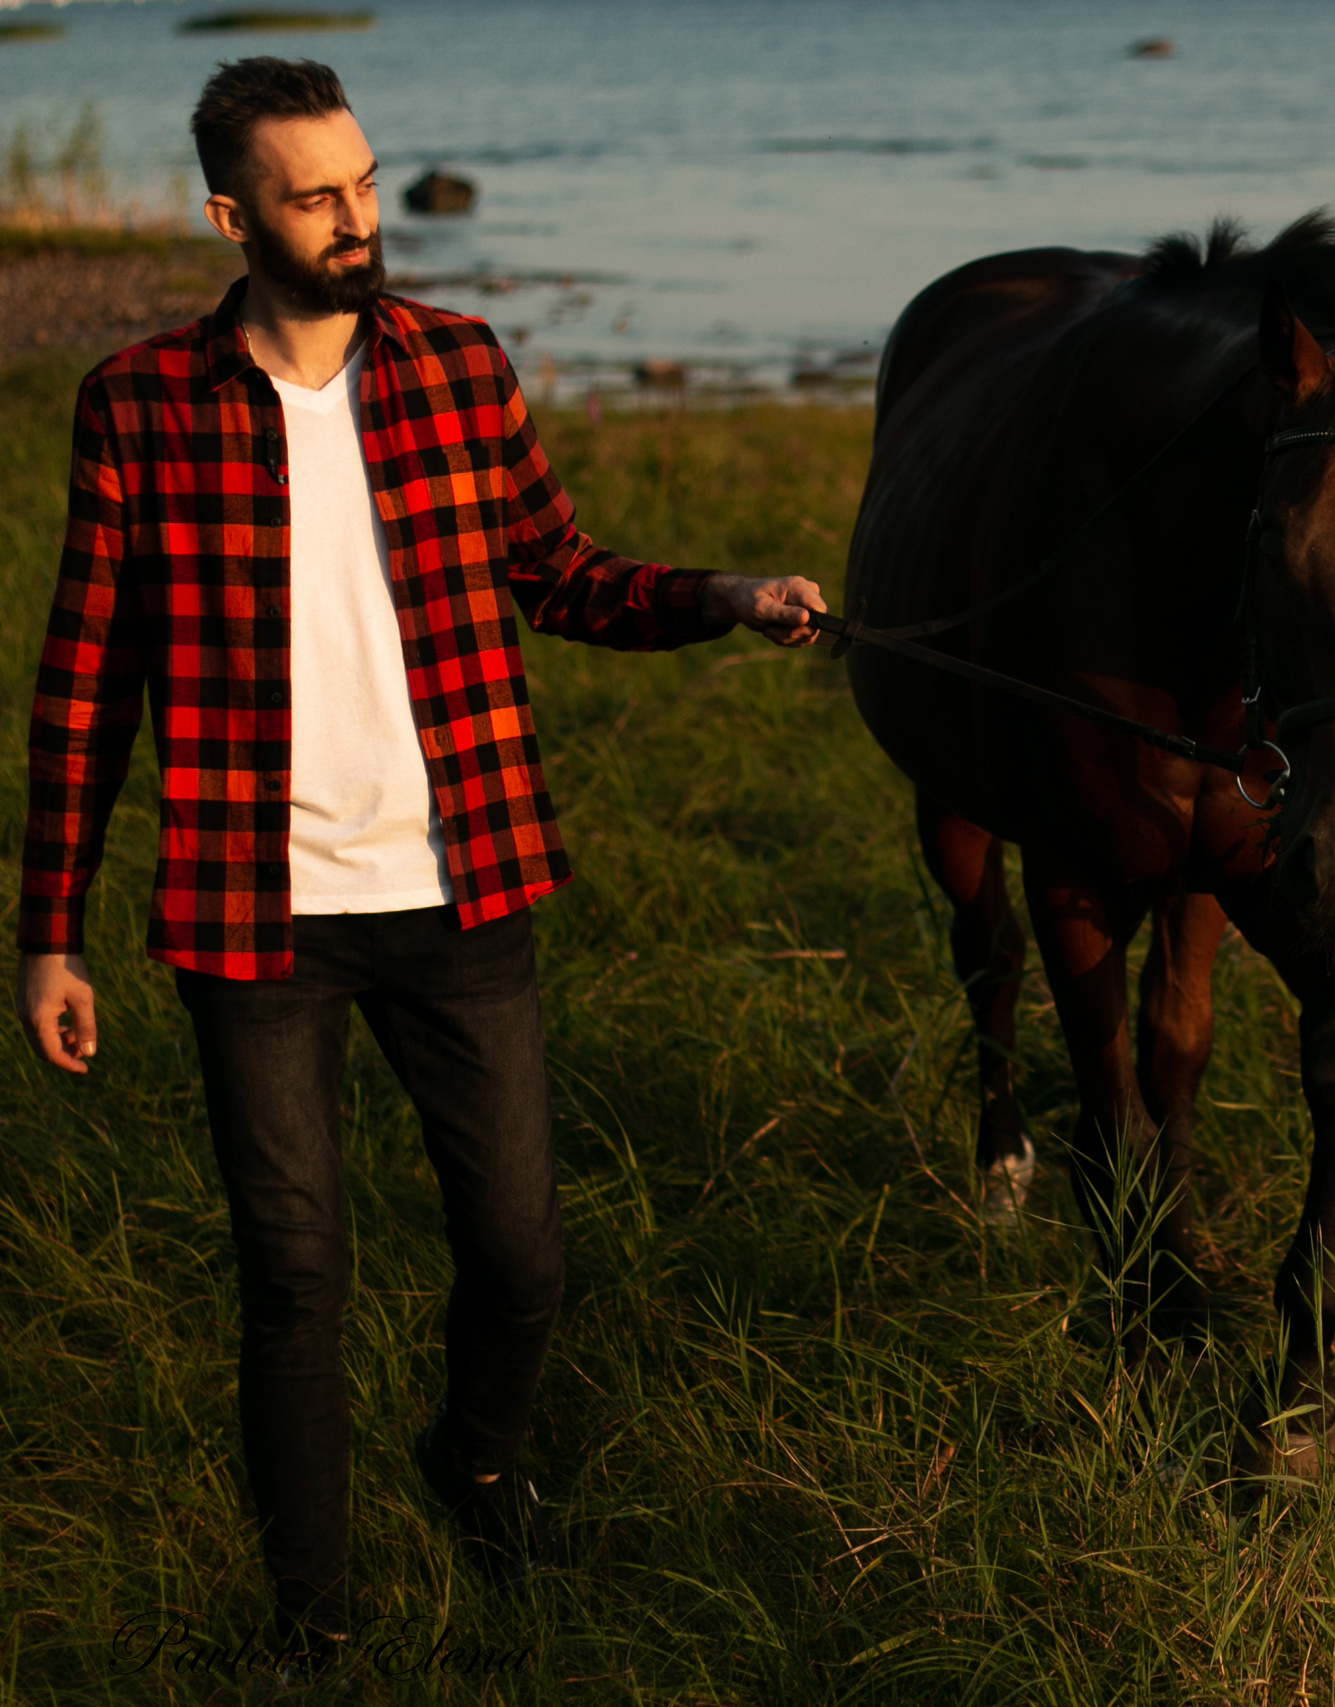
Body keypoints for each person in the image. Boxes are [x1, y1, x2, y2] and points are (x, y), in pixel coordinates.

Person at [11, 58, 826, 1652]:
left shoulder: (458, 366)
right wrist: (50, 930)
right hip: (257, 916)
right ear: (232, 215)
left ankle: (477, 1459)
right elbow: (83, 683)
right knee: (293, 1278)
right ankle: (311, 1619)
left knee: (522, 1256)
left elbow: (562, 570)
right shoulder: (140, 401)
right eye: (318, 196)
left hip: (463, 889)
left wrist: (723, 594)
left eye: (369, 182)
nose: (359, 218)